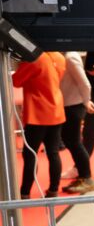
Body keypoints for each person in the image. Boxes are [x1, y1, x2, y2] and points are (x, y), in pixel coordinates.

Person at [13, 51, 67, 199]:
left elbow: (16, 81)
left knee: (30, 154)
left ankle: (24, 192)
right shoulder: (59, 57)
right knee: (53, 152)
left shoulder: (34, 58)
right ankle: (53, 190)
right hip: (56, 109)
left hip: (37, 113)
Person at [59, 51, 94, 194]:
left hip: (73, 105)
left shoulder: (70, 57)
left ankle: (86, 178)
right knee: (71, 142)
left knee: (74, 143)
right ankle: (83, 176)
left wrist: (86, 101)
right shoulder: (67, 56)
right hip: (69, 104)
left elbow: (84, 83)